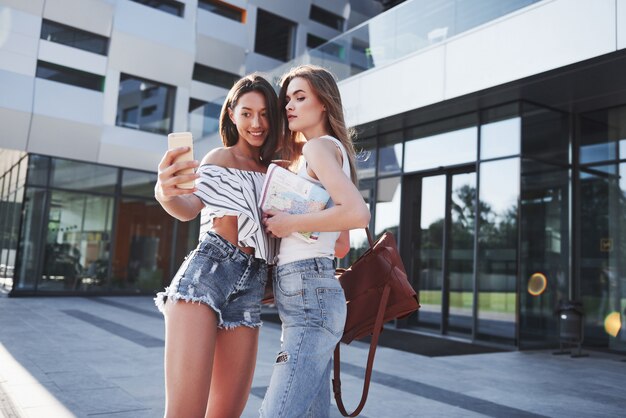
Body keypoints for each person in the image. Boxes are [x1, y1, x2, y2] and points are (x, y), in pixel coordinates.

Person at [153, 74, 280, 418]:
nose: (257, 123)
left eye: (266, 113)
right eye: (247, 113)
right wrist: (164, 191)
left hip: (251, 287)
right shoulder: (218, 158)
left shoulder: (278, 171)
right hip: (206, 278)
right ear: (232, 115)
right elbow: (187, 208)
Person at [260, 65, 370, 418]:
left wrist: (290, 222)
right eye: (288, 98)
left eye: (300, 97)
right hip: (315, 293)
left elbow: (358, 213)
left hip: (310, 294)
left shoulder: (318, 149)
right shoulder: (335, 152)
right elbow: (340, 247)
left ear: (323, 103)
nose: (289, 105)